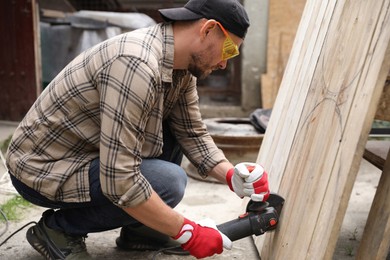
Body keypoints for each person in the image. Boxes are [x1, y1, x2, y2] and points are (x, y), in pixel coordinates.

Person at [6, 0, 270, 259]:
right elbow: (120, 181)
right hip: (43, 168)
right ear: (208, 29)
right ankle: (59, 230)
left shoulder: (181, 68)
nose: (225, 63)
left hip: (87, 154)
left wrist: (230, 175)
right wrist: (187, 232)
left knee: (173, 132)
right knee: (168, 181)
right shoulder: (136, 63)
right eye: (228, 50)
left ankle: (142, 229)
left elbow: (191, 133)